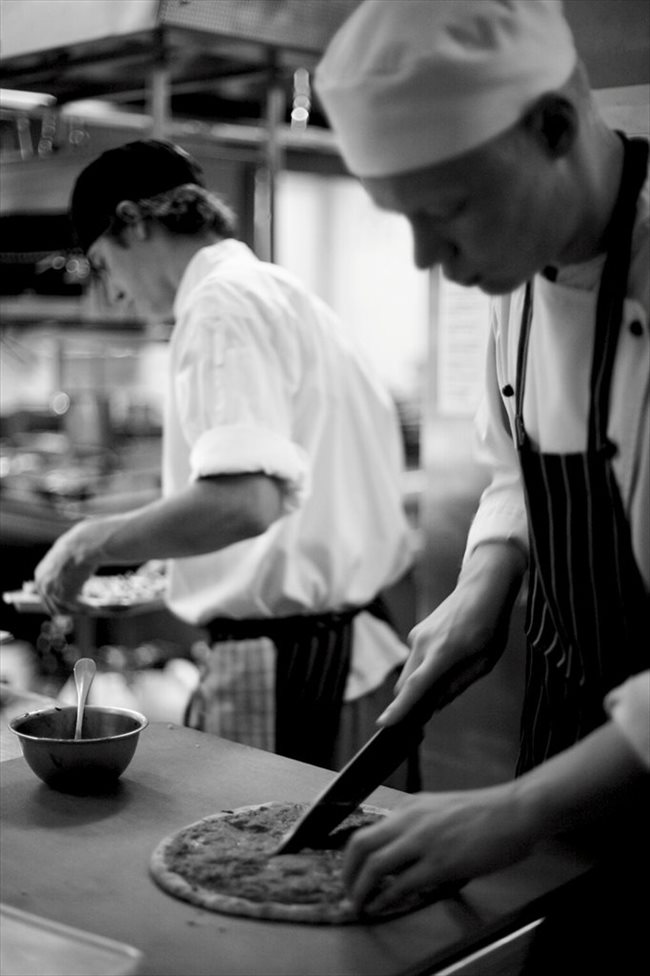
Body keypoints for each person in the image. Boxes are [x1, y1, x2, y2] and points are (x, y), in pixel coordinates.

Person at [315, 0, 648, 962]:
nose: (426, 258)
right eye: (403, 219)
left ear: (553, 127)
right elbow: (515, 460)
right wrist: (483, 582)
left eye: (446, 209)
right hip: (567, 734)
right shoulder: (522, 269)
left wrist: (514, 808)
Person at [33, 138, 419, 782]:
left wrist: (89, 542)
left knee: (262, 840)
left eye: (104, 265)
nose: (114, 295)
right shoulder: (282, 292)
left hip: (288, 672)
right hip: (354, 655)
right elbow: (283, 495)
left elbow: (244, 502)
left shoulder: (219, 305)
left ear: (134, 222)